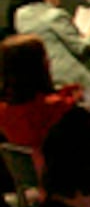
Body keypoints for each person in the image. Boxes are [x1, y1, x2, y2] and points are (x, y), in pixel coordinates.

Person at [11, 0, 90, 92]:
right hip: (70, 77)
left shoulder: (20, 15)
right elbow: (81, 48)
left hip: (43, 77)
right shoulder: (55, 15)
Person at [0, 34, 79, 172]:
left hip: (30, 178)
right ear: (39, 65)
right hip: (66, 174)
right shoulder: (56, 107)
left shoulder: (4, 111)